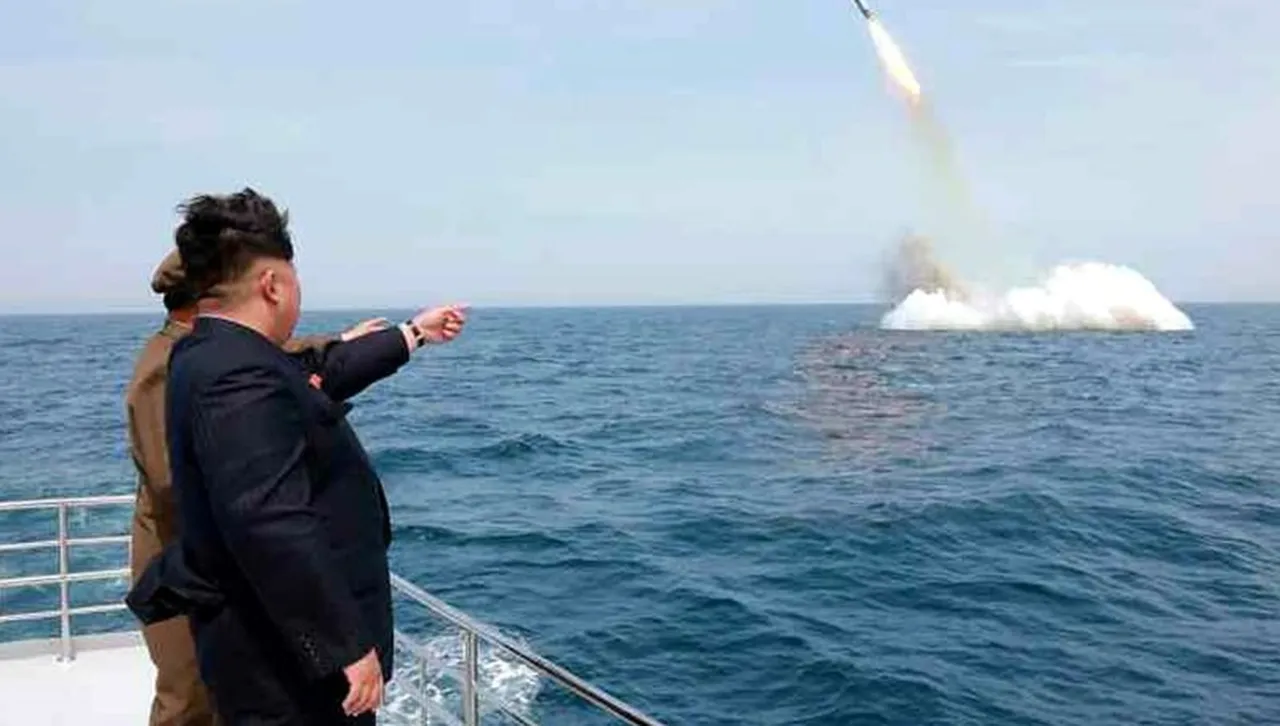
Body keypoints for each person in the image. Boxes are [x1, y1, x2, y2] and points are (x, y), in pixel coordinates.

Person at [128, 187, 466, 724]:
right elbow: (268, 519)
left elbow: (317, 371)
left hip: (269, 641)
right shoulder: (237, 374)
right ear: (271, 284)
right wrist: (345, 646)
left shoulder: (212, 352)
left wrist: (413, 334)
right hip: (283, 663)